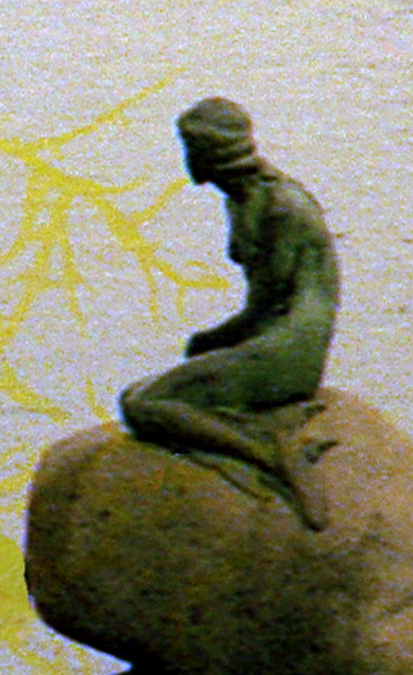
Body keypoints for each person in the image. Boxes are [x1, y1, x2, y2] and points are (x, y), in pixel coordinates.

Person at [116, 95, 342, 522]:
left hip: (290, 348)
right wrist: (215, 343)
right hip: (270, 335)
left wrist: (215, 339)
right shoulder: (241, 199)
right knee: (136, 395)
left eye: (189, 148)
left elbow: (270, 306)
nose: (187, 159)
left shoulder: (280, 208)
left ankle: (269, 454)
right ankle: (253, 437)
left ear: (209, 151)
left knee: (145, 405)